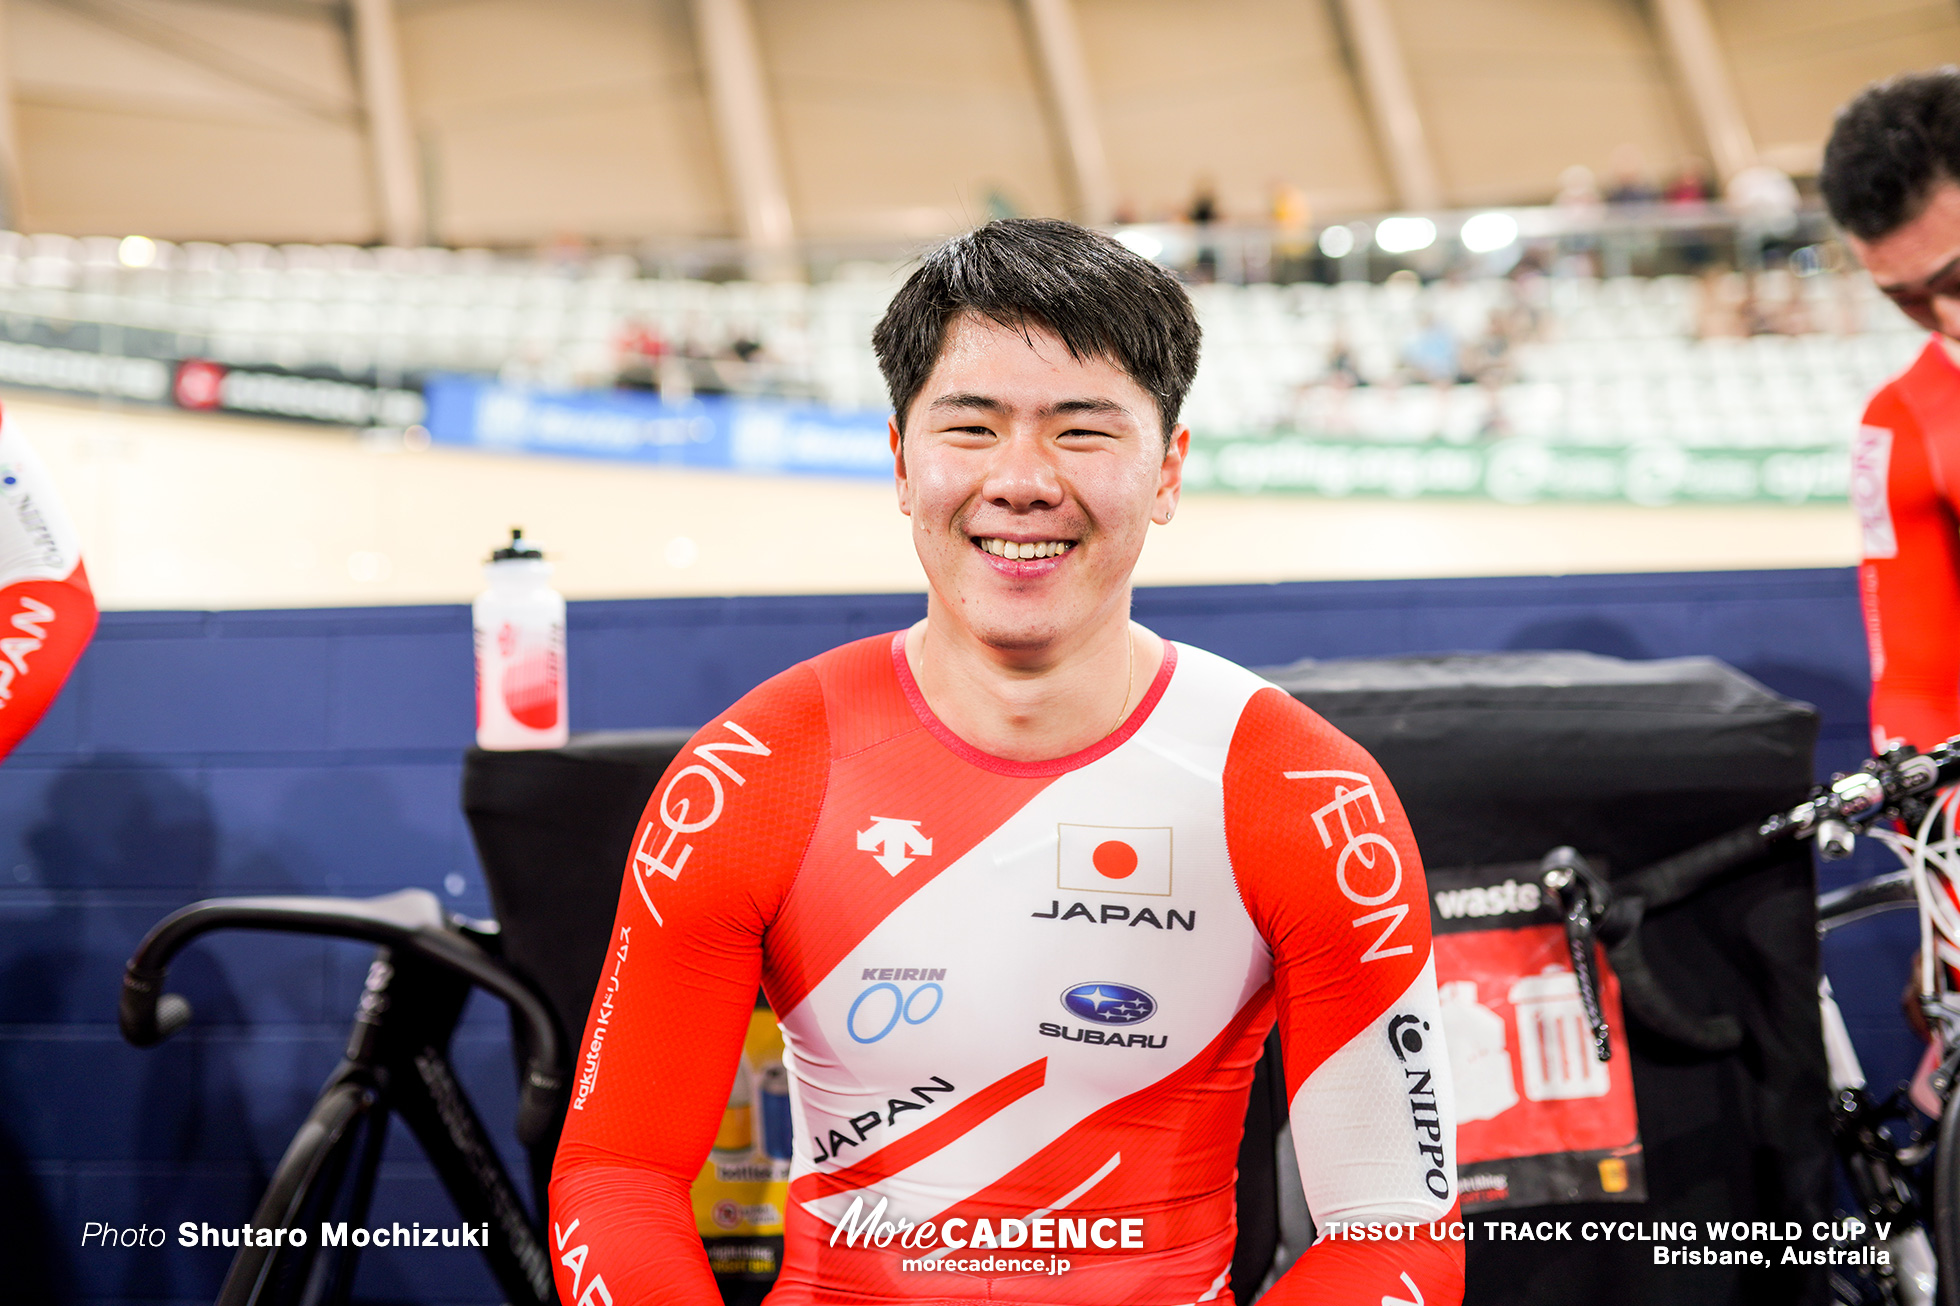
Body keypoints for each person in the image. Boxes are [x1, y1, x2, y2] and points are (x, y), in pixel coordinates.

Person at [548, 218, 1463, 1306]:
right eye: (971, 427)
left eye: (1082, 432)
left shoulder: (1302, 797)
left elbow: (1396, 1233)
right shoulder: (751, 775)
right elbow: (616, 1177)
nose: (1022, 481)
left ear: (1168, 469)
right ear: (898, 461)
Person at [1820, 69, 1960, 751]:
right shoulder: (1902, 420)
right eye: (1905, 299)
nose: (1948, 318)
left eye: (1958, 278)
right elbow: (1919, 689)